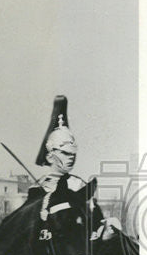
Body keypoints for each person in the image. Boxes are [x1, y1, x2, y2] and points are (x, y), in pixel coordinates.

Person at [31, 95, 121, 241]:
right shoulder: (37, 186)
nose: (71, 157)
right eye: (65, 153)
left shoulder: (78, 185)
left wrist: (98, 230)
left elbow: (94, 219)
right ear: (49, 156)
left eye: (73, 154)